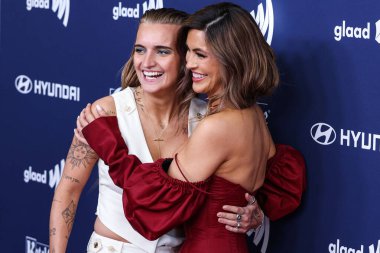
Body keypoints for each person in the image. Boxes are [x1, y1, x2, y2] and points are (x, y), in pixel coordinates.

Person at [79, 3, 304, 253]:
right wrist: (255, 213)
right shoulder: (253, 115)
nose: (189, 63)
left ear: (230, 58)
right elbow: (279, 187)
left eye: (200, 54)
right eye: (187, 51)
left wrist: (108, 143)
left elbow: (154, 202)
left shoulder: (216, 127)